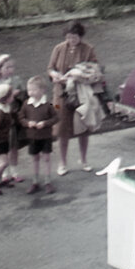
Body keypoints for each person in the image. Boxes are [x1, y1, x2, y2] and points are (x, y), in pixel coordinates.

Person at [48, 20, 98, 174]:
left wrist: (81, 75)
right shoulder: (58, 48)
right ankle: (62, 163)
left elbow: (95, 70)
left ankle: (84, 160)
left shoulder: (88, 49)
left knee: (83, 127)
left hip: (81, 95)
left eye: (74, 37)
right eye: (68, 37)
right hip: (60, 95)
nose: (71, 40)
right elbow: (50, 68)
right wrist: (55, 75)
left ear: (80, 36)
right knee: (62, 128)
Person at [0, 54, 26, 184]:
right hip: (2, 119)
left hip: (13, 117)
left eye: (12, 67)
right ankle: (4, 173)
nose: (10, 70)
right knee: (4, 146)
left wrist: (18, 94)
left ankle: (14, 171)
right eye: (7, 67)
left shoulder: (17, 80)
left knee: (14, 145)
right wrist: (2, 97)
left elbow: (25, 96)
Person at [18, 76, 59, 194]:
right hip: (33, 136)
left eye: (34, 90)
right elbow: (21, 118)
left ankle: (48, 181)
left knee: (46, 158)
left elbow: (56, 117)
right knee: (34, 158)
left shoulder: (48, 104)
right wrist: (28, 123)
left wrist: (45, 123)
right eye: (29, 90)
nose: (30, 92)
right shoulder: (26, 104)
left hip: (45, 136)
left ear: (42, 90)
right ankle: (35, 181)